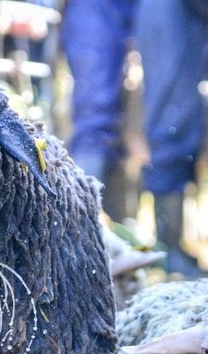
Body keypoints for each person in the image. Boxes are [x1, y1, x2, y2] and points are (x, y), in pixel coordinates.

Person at [133, 0, 208, 276]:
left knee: (176, 121)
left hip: (175, 18)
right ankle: (168, 249)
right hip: (173, 20)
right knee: (171, 124)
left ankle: (172, 246)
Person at [59, 0, 136, 224]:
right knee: (95, 115)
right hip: (96, 8)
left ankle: (116, 224)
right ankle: (79, 222)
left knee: (118, 119)